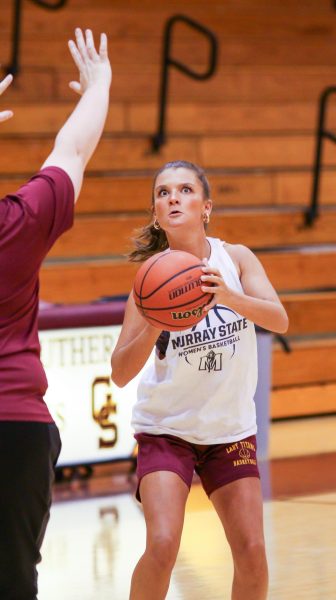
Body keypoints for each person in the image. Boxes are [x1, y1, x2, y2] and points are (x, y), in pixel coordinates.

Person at [111, 160, 289, 600]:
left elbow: (280, 319)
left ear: (206, 207)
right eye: (163, 192)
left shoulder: (237, 259)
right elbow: (119, 372)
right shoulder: (149, 281)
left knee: (252, 551)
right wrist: (155, 322)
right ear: (156, 213)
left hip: (229, 430)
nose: (173, 197)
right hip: (167, 431)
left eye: (185, 190)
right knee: (163, 544)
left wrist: (229, 296)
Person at [0, 28, 111, 599]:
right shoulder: (15, 223)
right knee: (14, 580)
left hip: (18, 425)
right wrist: (99, 86)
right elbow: (72, 149)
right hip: (15, 426)